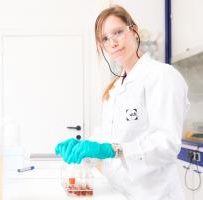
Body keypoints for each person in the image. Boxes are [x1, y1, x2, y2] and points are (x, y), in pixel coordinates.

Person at [55, 5, 189, 200]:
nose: (113, 42)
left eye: (117, 32)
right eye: (105, 39)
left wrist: (114, 149)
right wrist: (84, 147)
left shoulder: (162, 76)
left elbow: (166, 144)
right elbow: (106, 137)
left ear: (133, 30)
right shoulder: (116, 87)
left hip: (154, 194)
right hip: (120, 190)